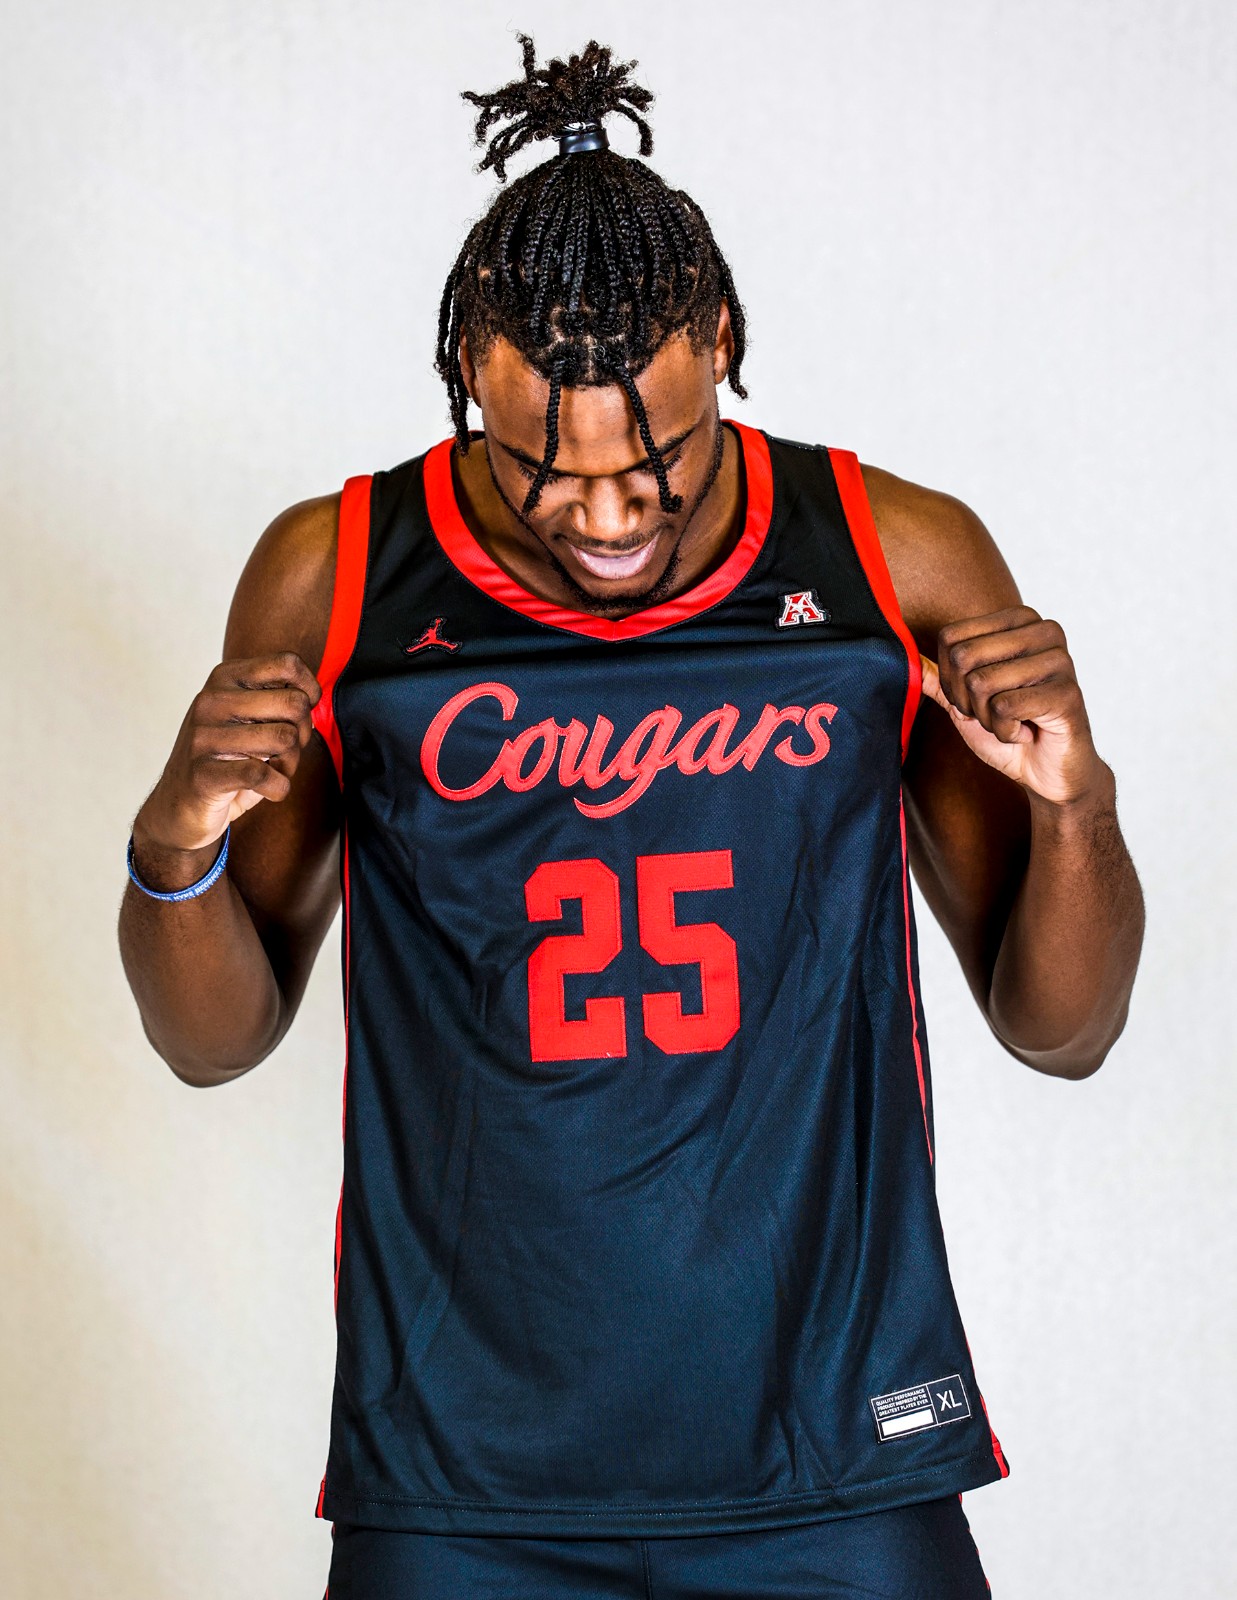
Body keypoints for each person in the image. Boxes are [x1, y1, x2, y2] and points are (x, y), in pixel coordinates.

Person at [118, 35, 1144, 1600]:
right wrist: (174, 841)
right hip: (461, 1470)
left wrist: (1076, 808)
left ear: (718, 340)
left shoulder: (892, 554)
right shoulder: (340, 570)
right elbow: (214, 1043)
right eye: (546, 470)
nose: (605, 515)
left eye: (653, 460)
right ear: (471, 368)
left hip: (831, 1447)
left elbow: (1062, 1031)